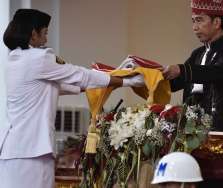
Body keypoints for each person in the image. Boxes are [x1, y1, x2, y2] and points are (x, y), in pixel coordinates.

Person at [0, 9, 143, 188]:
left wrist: (113, 77)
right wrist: (125, 81)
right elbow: (79, 75)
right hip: (31, 152)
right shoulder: (38, 58)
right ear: (33, 34)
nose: (45, 40)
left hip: (14, 151)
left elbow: (67, 85)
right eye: (44, 33)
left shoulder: (14, 61)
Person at [163, 0, 223, 132]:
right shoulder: (197, 54)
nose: (194, 27)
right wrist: (142, 78)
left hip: (217, 131)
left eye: (199, 20)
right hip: (188, 131)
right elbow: (175, 83)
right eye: (193, 21)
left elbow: (218, 72)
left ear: (217, 23)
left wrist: (181, 69)